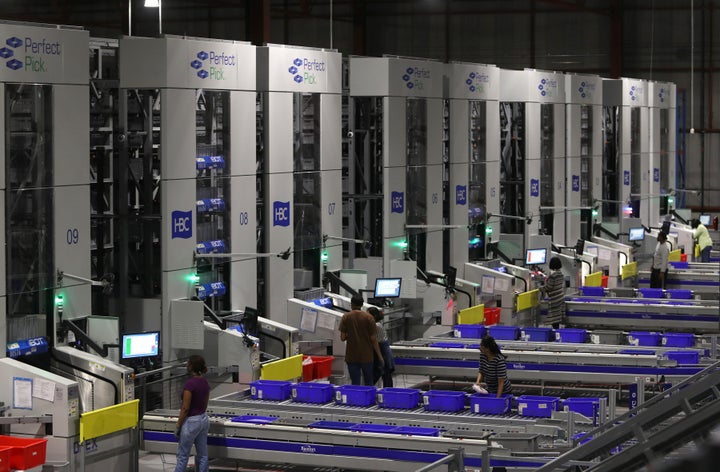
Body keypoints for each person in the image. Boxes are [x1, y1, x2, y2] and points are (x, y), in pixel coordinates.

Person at [174, 355, 211, 472]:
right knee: (203, 454)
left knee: (183, 455)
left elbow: (185, 408)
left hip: (191, 422)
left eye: (188, 363)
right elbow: (205, 404)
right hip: (203, 419)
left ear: (191, 366)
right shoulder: (205, 382)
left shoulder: (190, 385)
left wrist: (178, 425)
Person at [339, 294, 383, 385]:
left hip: (352, 356)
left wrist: (350, 335)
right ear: (362, 305)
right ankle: (368, 398)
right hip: (367, 356)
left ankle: (356, 399)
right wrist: (380, 356)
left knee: (355, 383)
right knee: (369, 382)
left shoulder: (346, 317)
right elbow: (373, 339)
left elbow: (342, 338)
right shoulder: (369, 318)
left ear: (351, 304)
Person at [369, 306, 395, 387]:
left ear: (374, 316)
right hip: (383, 349)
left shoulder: (376, 325)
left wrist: (380, 357)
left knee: (383, 372)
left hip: (382, 350)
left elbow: (375, 341)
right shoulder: (378, 324)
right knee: (383, 372)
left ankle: (388, 392)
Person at [542, 256, 566, 329]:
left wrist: (540, 288)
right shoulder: (560, 274)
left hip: (554, 299)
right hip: (560, 297)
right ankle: (557, 331)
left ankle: (556, 331)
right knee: (558, 316)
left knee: (554, 317)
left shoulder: (553, 276)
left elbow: (549, 287)